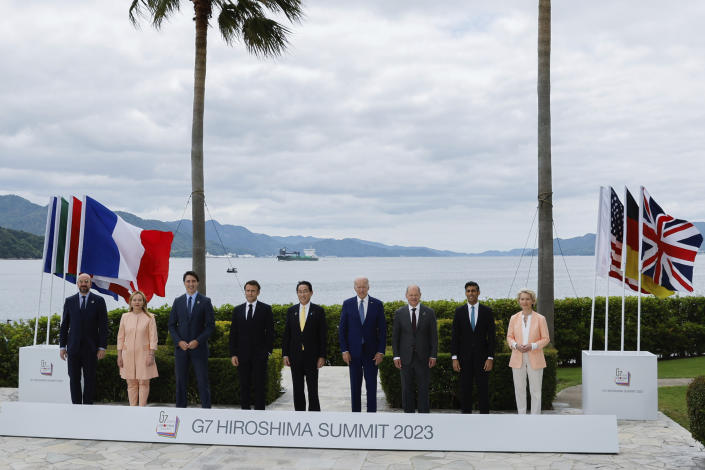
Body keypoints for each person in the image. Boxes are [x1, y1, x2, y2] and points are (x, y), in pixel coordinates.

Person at [59, 273, 109, 405]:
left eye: (86, 281)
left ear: (90, 284)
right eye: (81, 281)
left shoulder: (99, 301)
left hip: (91, 349)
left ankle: (88, 405)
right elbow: (64, 325)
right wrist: (62, 347)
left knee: (90, 379)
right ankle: (76, 405)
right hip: (73, 348)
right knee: (74, 378)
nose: (83, 284)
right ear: (77, 284)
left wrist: (102, 347)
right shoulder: (69, 301)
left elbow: (103, 326)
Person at [168, 270, 215, 408]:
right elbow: (171, 325)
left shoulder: (206, 301)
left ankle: (206, 411)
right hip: (181, 350)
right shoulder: (178, 301)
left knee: (202, 382)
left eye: (193, 281)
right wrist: (179, 342)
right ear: (184, 283)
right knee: (181, 383)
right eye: (188, 281)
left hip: (199, 349)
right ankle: (180, 411)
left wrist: (198, 341)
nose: (191, 284)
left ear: (198, 283)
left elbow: (210, 326)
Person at [339, 277, 386, 412]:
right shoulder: (347, 304)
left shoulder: (377, 304)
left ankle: (371, 416)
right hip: (353, 354)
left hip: (372, 354)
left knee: (371, 387)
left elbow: (383, 331)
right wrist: (344, 350)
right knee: (355, 387)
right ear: (354, 288)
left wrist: (380, 352)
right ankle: (356, 416)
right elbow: (342, 330)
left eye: (364, 286)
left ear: (368, 287)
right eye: (358, 287)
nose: (361, 289)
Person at [392, 285, 438, 413]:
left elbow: (434, 337)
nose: (413, 297)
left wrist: (433, 355)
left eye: (416, 295)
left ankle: (424, 417)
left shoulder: (429, 312)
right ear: (406, 296)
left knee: (423, 389)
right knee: (407, 389)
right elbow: (395, 337)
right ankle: (408, 417)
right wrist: (396, 356)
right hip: (405, 358)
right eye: (411, 295)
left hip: (423, 358)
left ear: (420, 295)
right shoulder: (399, 313)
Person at [451, 281, 495, 414]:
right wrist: (454, 358)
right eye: (468, 291)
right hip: (464, 359)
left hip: (483, 358)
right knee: (465, 389)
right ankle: (466, 418)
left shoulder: (487, 311)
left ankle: (485, 418)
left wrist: (490, 357)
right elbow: (455, 337)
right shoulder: (459, 312)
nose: (471, 293)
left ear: (478, 292)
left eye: (473, 290)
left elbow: (492, 337)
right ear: (465, 293)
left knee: (483, 389)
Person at [229, 280, 274, 410]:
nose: (250, 293)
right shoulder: (237, 310)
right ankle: (245, 414)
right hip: (242, 356)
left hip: (260, 355)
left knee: (260, 386)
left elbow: (270, 332)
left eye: (253, 290)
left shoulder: (266, 309)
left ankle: (260, 415)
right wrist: (233, 354)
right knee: (244, 386)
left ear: (258, 292)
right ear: (245, 292)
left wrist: (268, 352)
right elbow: (233, 334)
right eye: (248, 290)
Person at [282, 281, 327, 411]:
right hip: (295, 357)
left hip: (312, 357)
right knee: (297, 389)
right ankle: (299, 416)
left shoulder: (318, 311)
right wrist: (285, 354)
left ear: (311, 293)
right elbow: (287, 335)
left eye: (305, 291)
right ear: (297, 293)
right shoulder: (291, 311)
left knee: (313, 389)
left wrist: (322, 356)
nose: (303, 294)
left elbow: (322, 336)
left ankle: (314, 415)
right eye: (300, 291)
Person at [507, 288, 550, 414]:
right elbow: (509, 337)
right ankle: (522, 416)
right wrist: (515, 345)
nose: (524, 301)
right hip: (517, 358)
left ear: (533, 301)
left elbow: (546, 338)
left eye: (527, 299)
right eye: (522, 299)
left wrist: (533, 346)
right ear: (519, 301)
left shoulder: (540, 318)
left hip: (535, 357)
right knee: (519, 389)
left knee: (535, 390)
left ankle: (535, 417)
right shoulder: (513, 318)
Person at [116, 290, 159, 406]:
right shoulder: (125, 317)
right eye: (134, 300)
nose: (137, 302)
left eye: (140, 300)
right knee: (131, 383)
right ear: (130, 302)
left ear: (144, 302)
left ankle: (142, 408)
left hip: (144, 355)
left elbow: (153, 338)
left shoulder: (150, 317)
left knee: (144, 382)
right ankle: (132, 409)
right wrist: (119, 356)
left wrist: (151, 355)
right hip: (127, 354)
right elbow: (120, 337)